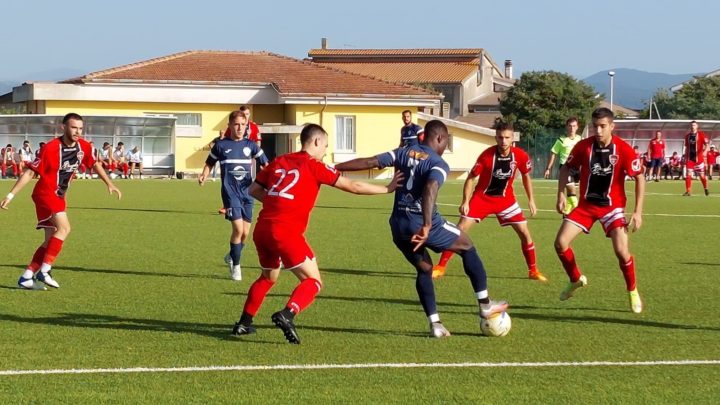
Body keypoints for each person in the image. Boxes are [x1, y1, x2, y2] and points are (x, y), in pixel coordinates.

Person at [230, 123, 402, 344]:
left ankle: (244, 323)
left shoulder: (280, 160)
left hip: (263, 228)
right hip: (286, 230)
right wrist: (387, 189)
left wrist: (278, 203)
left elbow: (254, 190)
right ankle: (288, 314)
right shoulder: (314, 165)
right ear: (317, 142)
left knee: (268, 277)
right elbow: (354, 187)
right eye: (326, 146)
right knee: (313, 281)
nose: (325, 151)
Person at [336, 120, 508, 338]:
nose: (445, 147)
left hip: (398, 226)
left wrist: (336, 168)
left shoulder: (402, 152)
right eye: (446, 142)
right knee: (467, 246)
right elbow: (430, 187)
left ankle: (435, 324)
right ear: (439, 138)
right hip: (424, 224)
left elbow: (370, 161)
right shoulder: (438, 163)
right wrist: (427, 225)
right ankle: (485, 305)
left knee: (425, 269)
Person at [1, 113, 121, 289]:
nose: (77, 131)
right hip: (45, 193)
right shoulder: (50, 148)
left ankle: (26, 277)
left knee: (51, 240)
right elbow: (30, 172)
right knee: (65, 228)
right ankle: (44, 270)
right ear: (63, 127)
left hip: (59, 195)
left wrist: (109, 184)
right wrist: (10, 196)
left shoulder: (84, 147)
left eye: (80, 128)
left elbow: (94, 164)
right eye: (74, 127)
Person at [554, 107, 645, 313]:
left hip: (612, 208)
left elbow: (639, 177)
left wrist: (638, 212)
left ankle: (632, 291)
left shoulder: (623, 149)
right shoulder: (583, 147)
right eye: (595, 126)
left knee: (622, 252)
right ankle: (575, 279)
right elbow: (566, 168)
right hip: (586, 206)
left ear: (612, 126)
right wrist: (560, 195)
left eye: (603, 126)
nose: (598, 130)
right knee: (560, 243)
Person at [431, 121, 546, 282]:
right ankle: (441, 266)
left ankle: (533, 270)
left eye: (507, 137)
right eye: (500, 137)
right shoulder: (486, 156)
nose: (503, 141)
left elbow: (526, 176)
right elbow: (471, 178)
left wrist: (531, 200)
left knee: (525, 233)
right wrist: (465, 201)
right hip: (482, 198)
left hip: (506, 200)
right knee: (460, 229)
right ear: (496, 137)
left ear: (513, 138)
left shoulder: (520, 155)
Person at [199, 111, 270, 281]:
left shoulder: (251, 145)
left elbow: (266, 164)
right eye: (236, 124)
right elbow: (209, 163)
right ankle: (236, 267)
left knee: (245, 233)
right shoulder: (221, 146)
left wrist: (270, 178)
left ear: (246, 127)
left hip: (248, 193)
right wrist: (204, 174)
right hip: (230, 193)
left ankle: (232, 255)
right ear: (230, 125)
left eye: (243, 125)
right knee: (238, 229)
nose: (240, 128)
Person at [544, 117, 582, 214]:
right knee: (571, 190)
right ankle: (580, 212)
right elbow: (553, 153)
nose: (572, 128)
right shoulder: (561, 140)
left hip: (578, 168)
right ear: (566, 127)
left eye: (574, 126)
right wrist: (548, 168)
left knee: (571, 193)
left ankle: (566, 213)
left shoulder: (580, 139)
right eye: (570, 126)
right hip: (566, 168)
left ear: (577, 127)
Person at [682, 121, 709, 196]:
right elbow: (686, 146)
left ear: (697, 126)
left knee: (702, 176)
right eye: (691, 125)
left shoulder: (701, 134)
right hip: (690, 159)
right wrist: (684, 155)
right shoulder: (687, 136)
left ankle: (706, 188)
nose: (692, 126)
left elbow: (707, 144)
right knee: (688, 174)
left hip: (699, 159)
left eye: (694, 125)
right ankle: (688, 191)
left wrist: (705, 151)